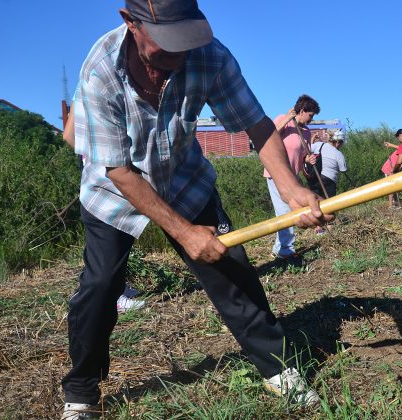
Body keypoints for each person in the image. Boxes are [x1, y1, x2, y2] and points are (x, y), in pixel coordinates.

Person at [62, 2, 331, 417]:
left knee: (231, 270)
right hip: (114, 191)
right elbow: (117, 169)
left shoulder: (211, 56)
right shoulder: (100, 71)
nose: (179, 54)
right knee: (99, 288)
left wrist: (292, 188)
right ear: (130, 22)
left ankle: (278, 369)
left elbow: (257, 125)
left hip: (183, 179)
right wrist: (185, 233)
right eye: (167, 43)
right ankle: (81, 393)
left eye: (185, 41)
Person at [64, 110, 146, 314]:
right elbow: (69, 135)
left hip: (107, 180)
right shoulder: (93, 83)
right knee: (107, 248)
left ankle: (117, 288)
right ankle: (112, 296)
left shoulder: (88, 88)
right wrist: (102, 160)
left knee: (115, 245)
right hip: (107, 185)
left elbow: (68, 135)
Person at [264, 95, 321, 259]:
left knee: (285, 211)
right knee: (285, 211)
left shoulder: (306, 131)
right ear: (302, 111)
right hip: (276, 173)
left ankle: (278, 248)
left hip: (293, 176)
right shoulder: (283, 119)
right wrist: (288, 118)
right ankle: (286, 251)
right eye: (310, 115)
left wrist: (307, 160)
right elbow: (269, 136)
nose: (311, 119)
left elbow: (302, 154)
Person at [306, 130, 348, 234]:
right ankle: (329, 227)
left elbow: (308, 150)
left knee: (316, 203)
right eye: (341, 142)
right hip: (329, 180)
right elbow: (343, 170)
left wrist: (312, 140)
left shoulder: (319, 145)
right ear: (338, 142)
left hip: (314, 177)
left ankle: (318, 228)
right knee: (329, 204)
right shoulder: (339, 154)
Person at [381, 140, 401, 207]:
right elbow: (399, 147)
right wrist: (390, 145)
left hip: (393, 168)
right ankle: (390, 205)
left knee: (394, 185)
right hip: (389, 168)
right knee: (391, 186)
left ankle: (396, 202)